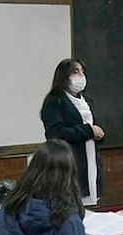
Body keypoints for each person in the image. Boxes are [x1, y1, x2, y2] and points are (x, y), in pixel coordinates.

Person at [40, 58, 105, 206]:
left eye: (82, 72)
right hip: (69, 163)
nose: (81, 76)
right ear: (64, 76)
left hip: (90, 160)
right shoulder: (54, 101)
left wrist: (98, 134)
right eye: (75, 72)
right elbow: (56, 133)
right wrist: (88, 131)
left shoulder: (86, 100)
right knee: (72, 205)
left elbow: (93, 127)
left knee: (92, 207)